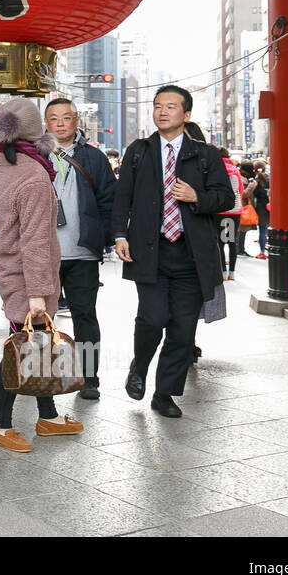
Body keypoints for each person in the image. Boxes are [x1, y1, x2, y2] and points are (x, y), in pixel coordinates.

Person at [113, 85, 234, 419]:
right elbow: (122, 198)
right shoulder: (138, 151)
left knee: (182, 329)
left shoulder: (206, 155)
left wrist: (198, 197)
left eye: (170, 106)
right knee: (152, 317)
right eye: (157, 106)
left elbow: (225, 198)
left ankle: (164, 392)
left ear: (187, 114)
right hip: (149, 252)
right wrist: (119, 235)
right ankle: (140, 365)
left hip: (192, 255)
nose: (162, 111)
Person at [0, 98, 84, 452]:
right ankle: (1, 424)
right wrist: (39, 293)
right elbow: (37, 240)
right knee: (20, 349)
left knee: (35, 346)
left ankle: (49, 416)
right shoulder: (34, 176)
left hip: (8, 265)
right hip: (28, 275)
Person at [44, 98, 116, 400]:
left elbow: (109, 200)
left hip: (82, 251)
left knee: (85, 316)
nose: (60, 123)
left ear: (77, 121)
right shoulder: (34, 156)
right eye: (54, 118)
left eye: (67, 117)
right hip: (43, 252)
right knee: (38, 318)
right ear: (45, 123)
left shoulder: (94, 158)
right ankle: (40, 375)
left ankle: (90, 378)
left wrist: (110, 239)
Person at [217, 147, 244, 282]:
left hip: (220, 210)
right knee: (232, 241)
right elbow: (240, 189)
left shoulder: (216, 170)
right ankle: (232, 273)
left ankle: (223, 272)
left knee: (220, 242)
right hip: (234, 210)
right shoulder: (235, 171)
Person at [251, 161, 270, 257]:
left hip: (260, 208)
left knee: (262, 230)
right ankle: (269, 249)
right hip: (270, 207)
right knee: (268, 229)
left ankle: (262, 251)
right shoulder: (269, 178)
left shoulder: (255, 181)